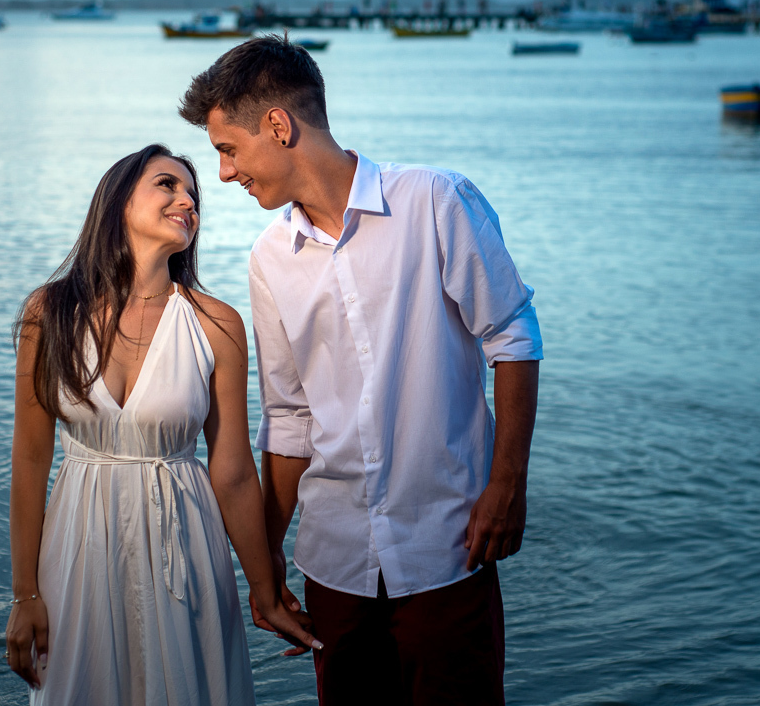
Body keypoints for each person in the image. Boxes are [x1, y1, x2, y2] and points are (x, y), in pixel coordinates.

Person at [178, 36, 543, 705]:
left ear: (278, 126)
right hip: (334, 565)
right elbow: (288, 418)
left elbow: (513, 335)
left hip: (448, 550)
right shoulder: (269, 258)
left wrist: (507, 485)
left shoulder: (435, 201)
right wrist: (267, 565)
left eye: (228, 148)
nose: (225, 173)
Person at [4, 144, 320, 705]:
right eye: (167, 185)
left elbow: (233, 472)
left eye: (193, 196)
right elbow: (30, 459)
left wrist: (264, 587)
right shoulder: (48, 312)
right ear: (118, 201)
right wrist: (24, 595)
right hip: (79, 541)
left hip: (185, 539)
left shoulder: (217, 324)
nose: (187, 201)